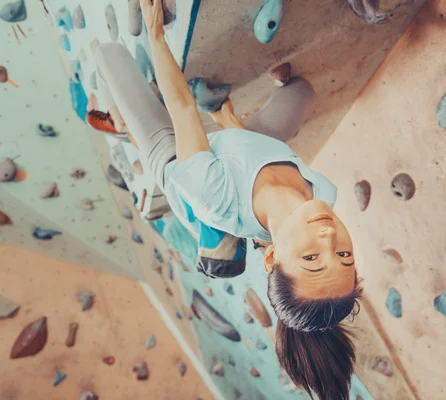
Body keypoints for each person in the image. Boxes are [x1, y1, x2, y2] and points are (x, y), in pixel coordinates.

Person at [94, 1, 363, 398]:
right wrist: (231, 124)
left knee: (109, 55)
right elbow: (250, 149)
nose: (329, 241)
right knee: (302, 91)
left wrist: (154, 35)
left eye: (311, 259)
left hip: (175, 164)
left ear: (272, 256)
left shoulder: (213, 195)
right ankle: (224, 154)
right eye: (344, 257)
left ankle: (128, 132)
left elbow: (183, 106)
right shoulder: (324, 195)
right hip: (244, 153)